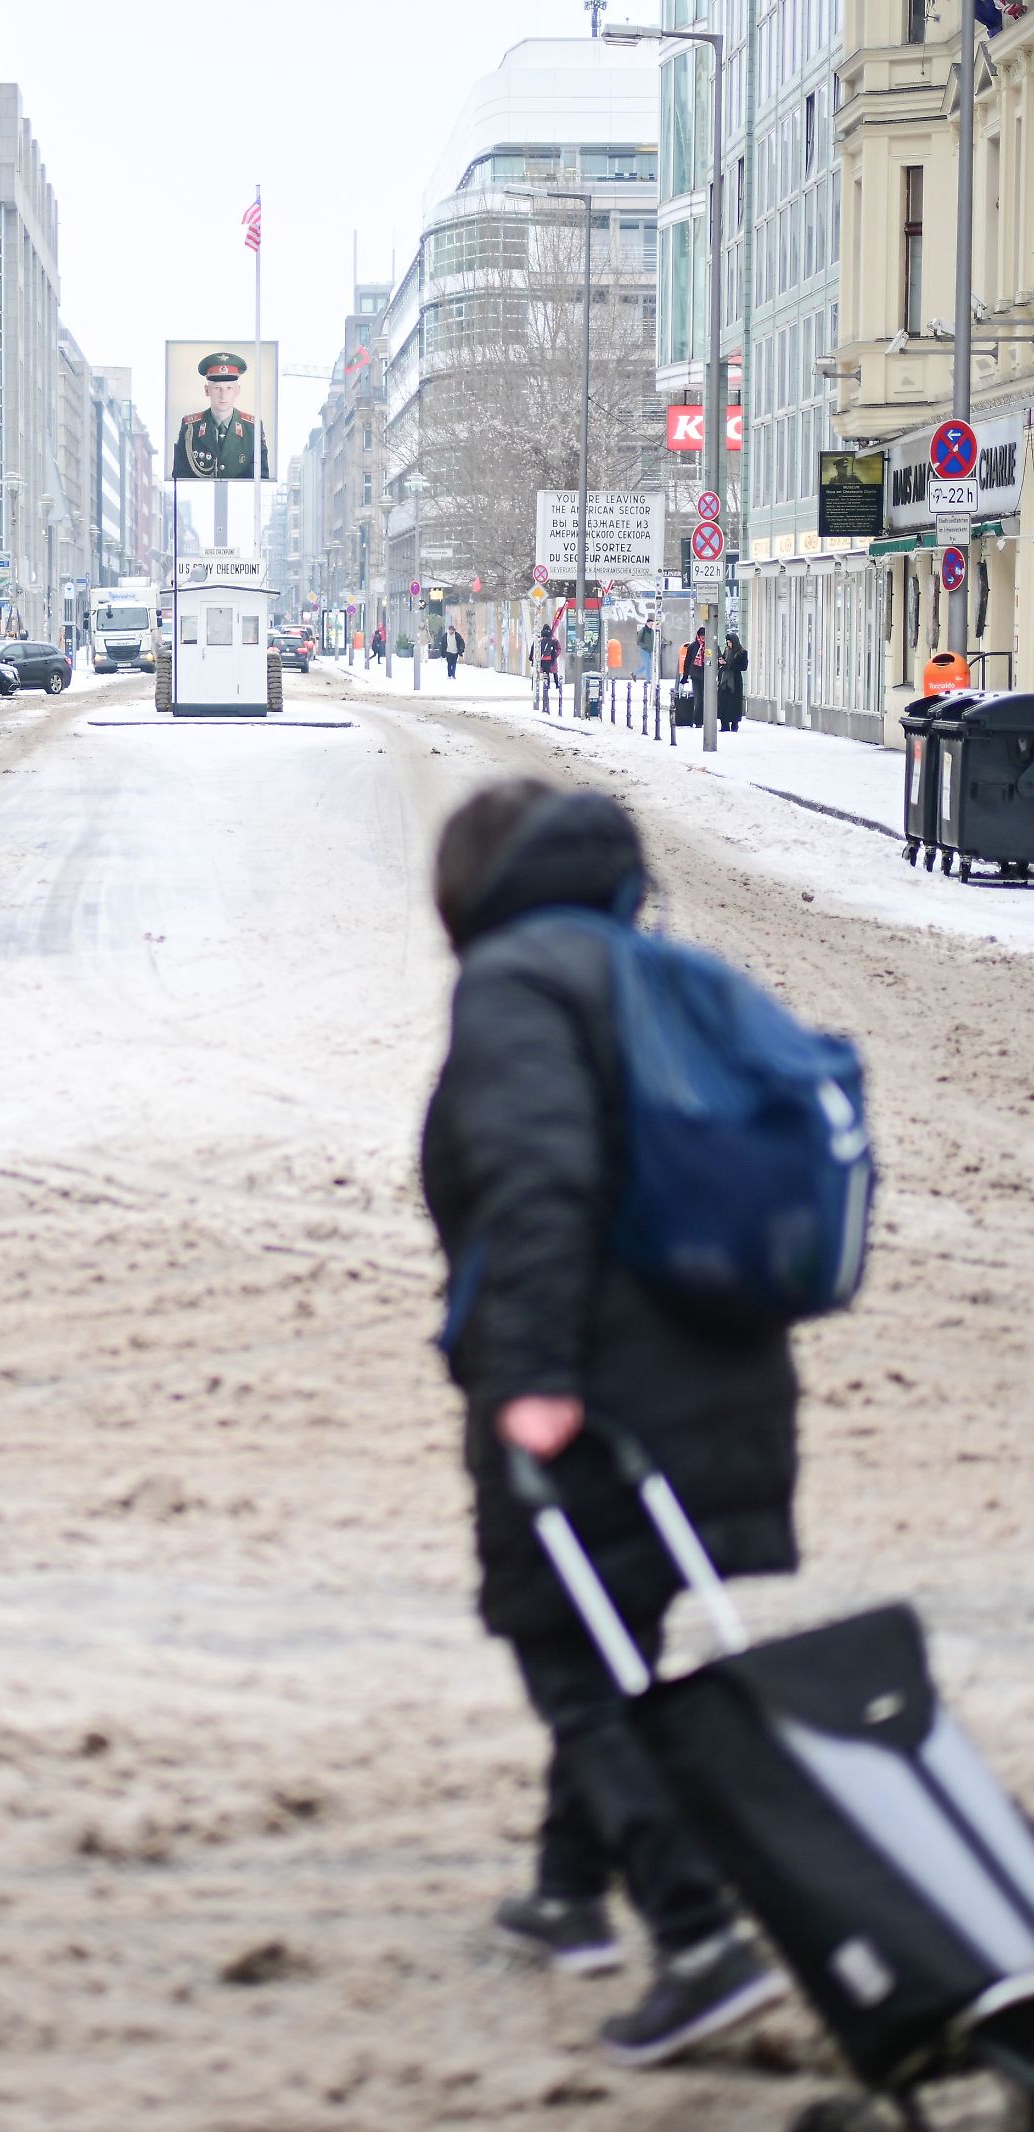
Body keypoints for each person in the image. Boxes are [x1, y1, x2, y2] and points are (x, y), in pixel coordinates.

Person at [421, 776, 795, 2066]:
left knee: (569, 1657)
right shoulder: (646, 969)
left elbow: (540, 1181)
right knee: (610, 1628)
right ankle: (570, 1891)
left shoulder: (520, 981)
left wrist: (531, 1379)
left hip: (593, 1380)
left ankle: (695, 1931)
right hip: (722, 1372)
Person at [171, 350, 270, 481]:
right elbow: (180, 478)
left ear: (237, 390)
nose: (223, 395)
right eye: (217, 388)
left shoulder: (252, 428)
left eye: (229, 388)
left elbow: (260, 480)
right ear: (207, 390)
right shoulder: (190, 428)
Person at [719, 632, 748, 731]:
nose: (728, 645)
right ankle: (724, 724)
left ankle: (734, 724)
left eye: (730, 642)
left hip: (735, 681)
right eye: (727, 643)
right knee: (723, 703)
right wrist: (721, 662)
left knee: (734, 704)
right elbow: (723, 659)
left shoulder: (742, 652)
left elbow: (743, 667)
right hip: (725, 681)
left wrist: (728, 664)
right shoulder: (727, 651)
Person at [636, 613, 656, 683]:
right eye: (650, 624)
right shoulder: (642, 630)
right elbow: (638, 641)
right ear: (647, 623)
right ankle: (648, 680)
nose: (651, 625)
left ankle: (634, 673)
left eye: (652, 624)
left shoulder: (652, 631)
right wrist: (645, 646)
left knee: (647, 665)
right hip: (644, 650)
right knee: (648, 665)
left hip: (650, 650)